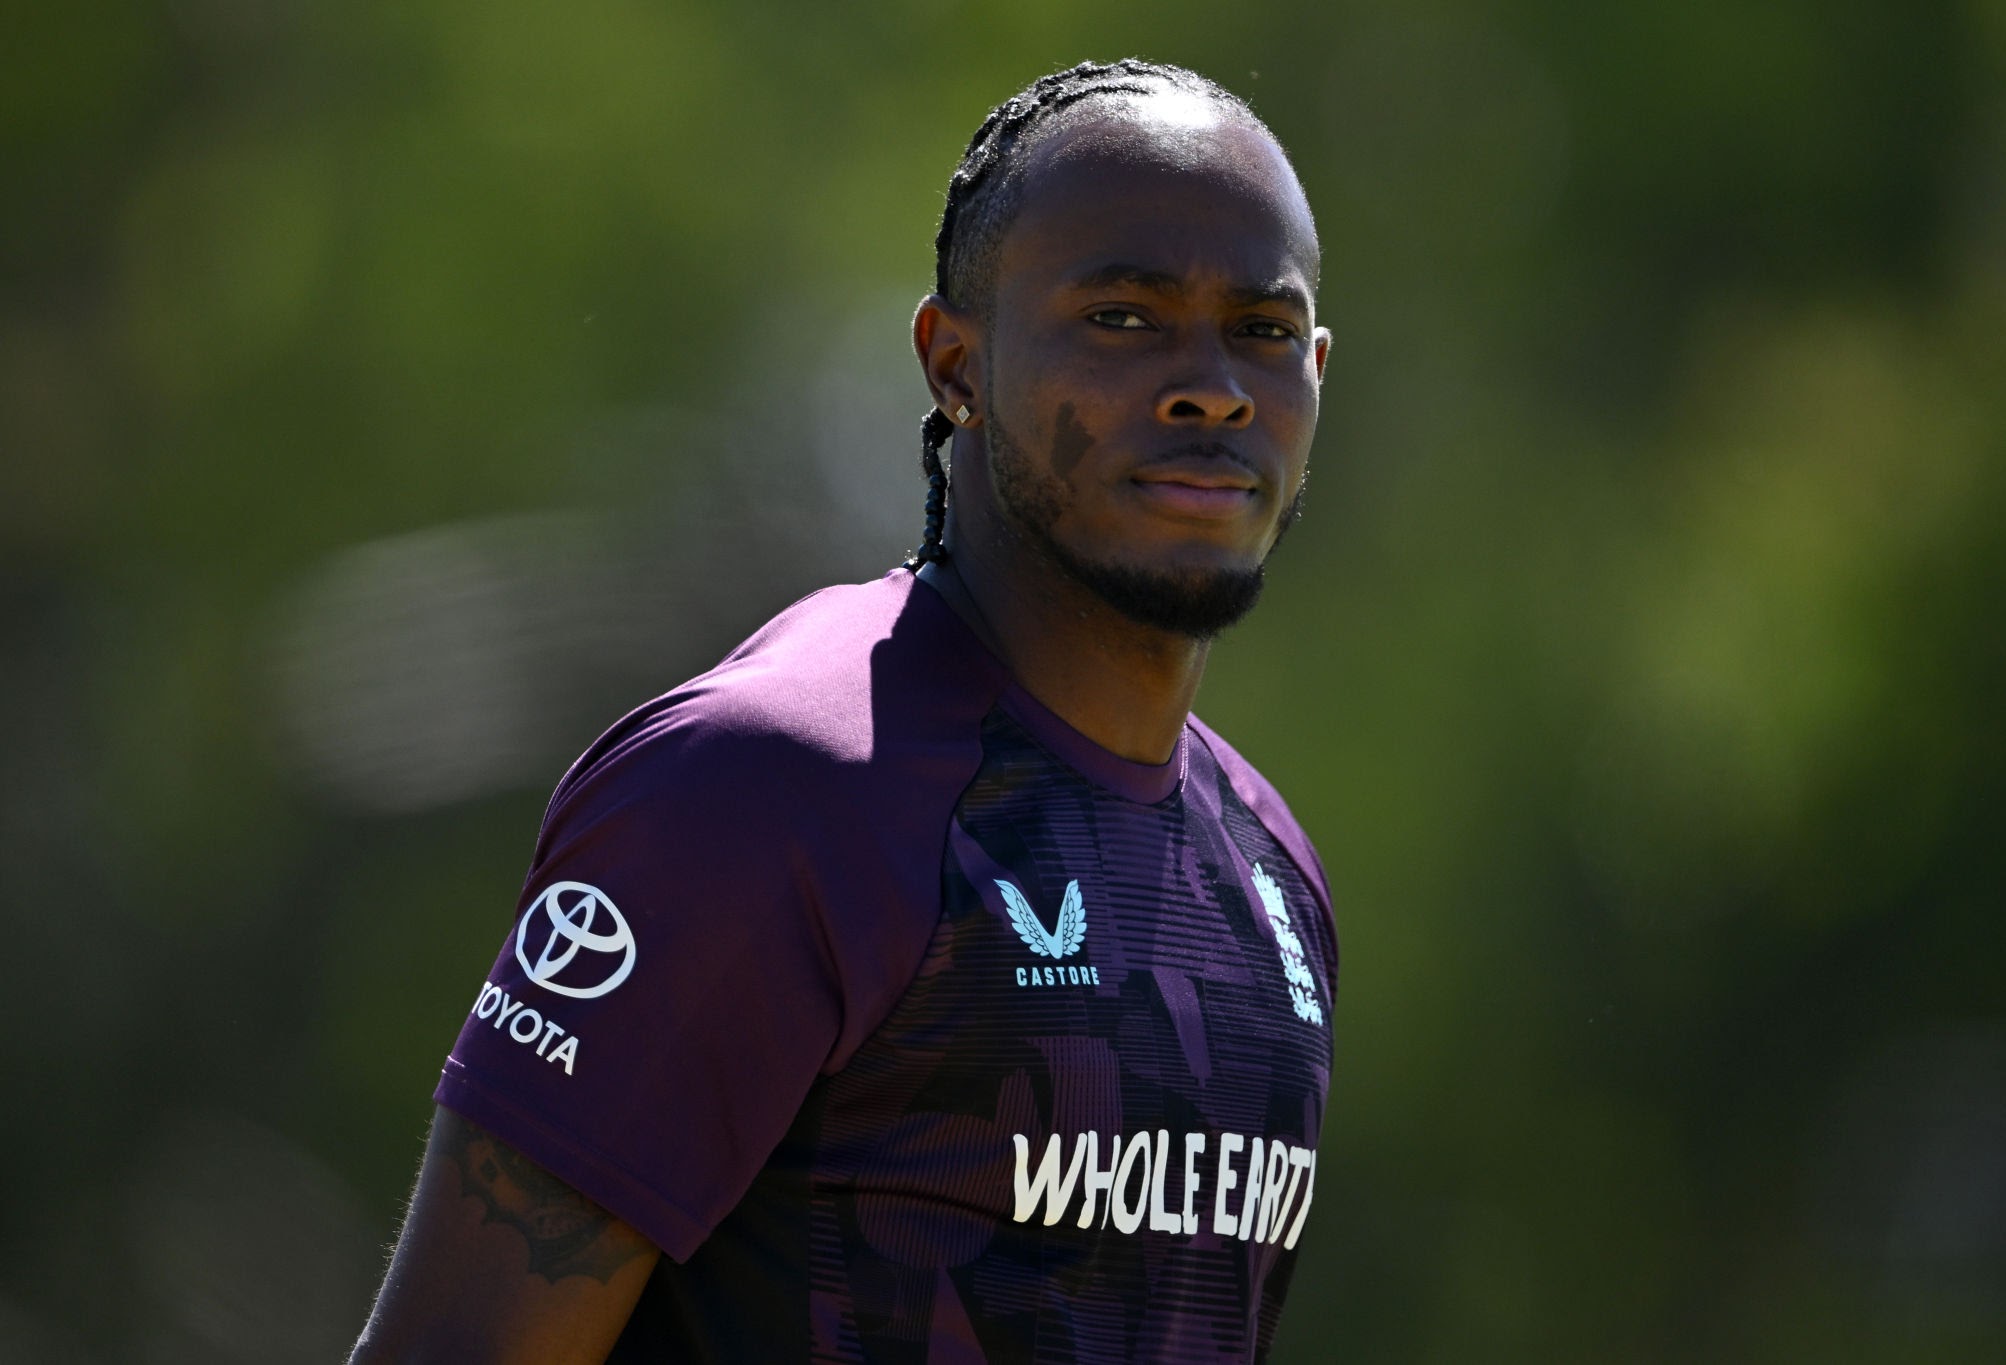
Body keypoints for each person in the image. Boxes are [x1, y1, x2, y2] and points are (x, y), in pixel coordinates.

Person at [352, 57, 1338, 1364]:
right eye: (1123, 318)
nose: (1210, 386)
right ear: (954, 365)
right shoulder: (767, 787)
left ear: (1314, 374)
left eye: (1261, 332)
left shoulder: (1269, 879)